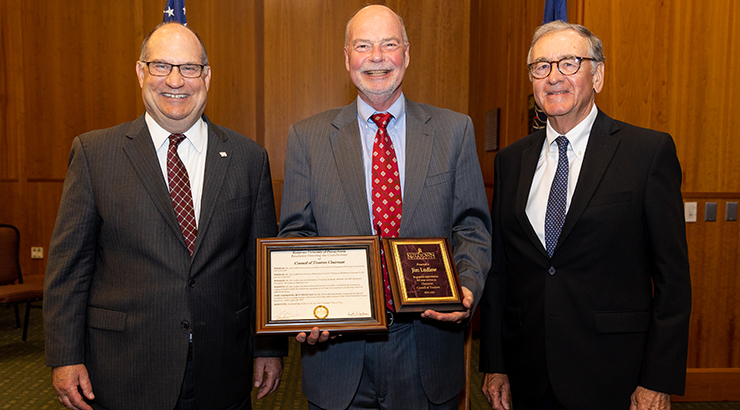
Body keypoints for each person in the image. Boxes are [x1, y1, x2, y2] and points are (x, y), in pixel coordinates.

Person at [43, 22, 286, 410]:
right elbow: (69, 268)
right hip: (125, 368)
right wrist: (65, 356)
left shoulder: (248, 158)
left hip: (222, 367)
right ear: (141, 72)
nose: (176, 80)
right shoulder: (94, 154)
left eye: (189, 68)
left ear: (206, 76)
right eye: (161, 66)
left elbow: (259, 269)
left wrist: (269, 348)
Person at [277, 5, 492, 410]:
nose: (376, 57)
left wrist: (466, 285)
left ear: (406, 54)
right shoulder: (307, 137)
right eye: (363, 46)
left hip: (427, 349)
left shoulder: (454, 131)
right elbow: (296, 236)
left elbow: (472, 227)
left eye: (388, 45)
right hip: (337, 356)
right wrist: (306, 308)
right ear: (347, 58)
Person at [479, 21, 692, 410]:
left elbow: (672, 280)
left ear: (598, 75)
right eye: (541, 66)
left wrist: (657, 380)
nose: (554, 76)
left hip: (614, 376)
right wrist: (495, 364)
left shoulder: (646, 153)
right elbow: (501, 273)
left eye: (569, 63)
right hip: (529, 374)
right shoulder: (511, 161)